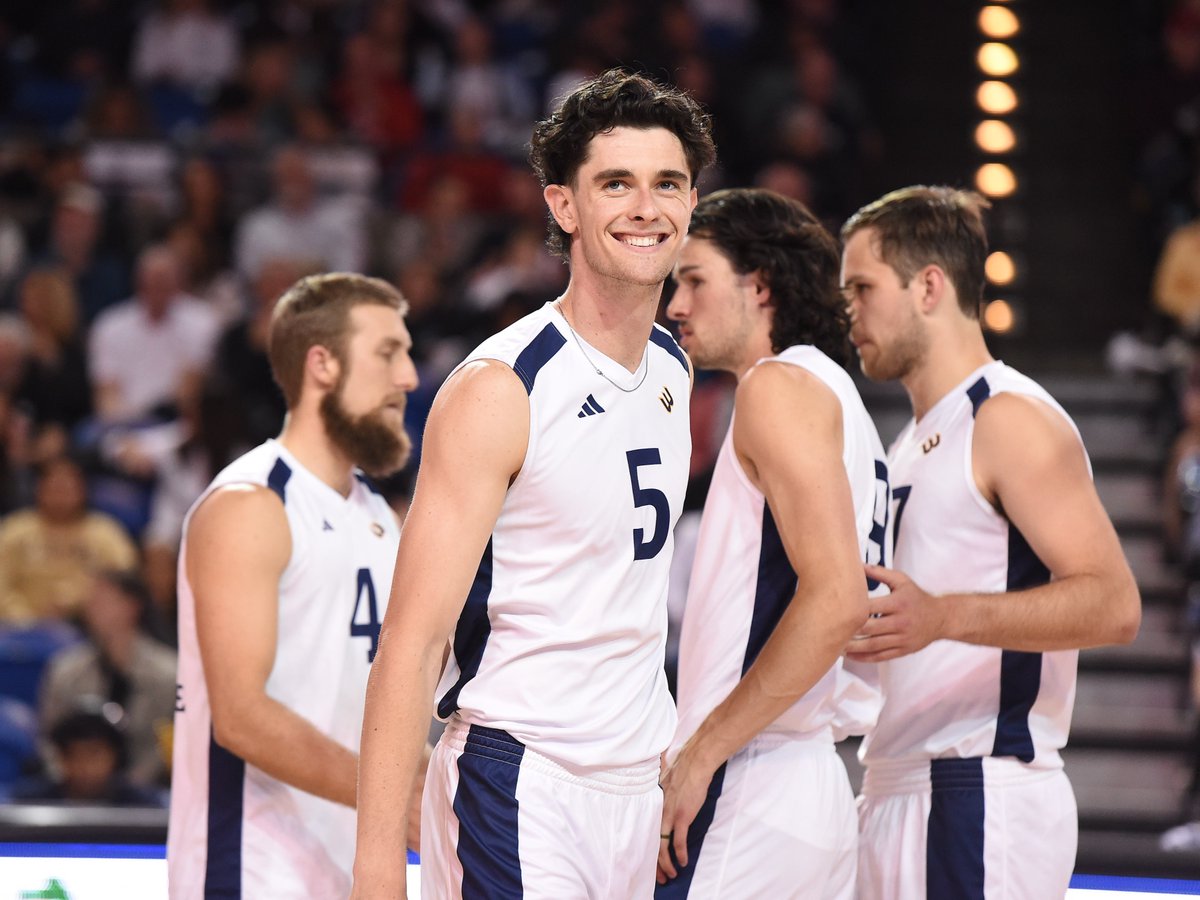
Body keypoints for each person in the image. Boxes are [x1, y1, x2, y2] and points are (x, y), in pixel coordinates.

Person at [352, 68, 716, 898]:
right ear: (563, 207)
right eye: (614, 183)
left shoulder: (673, 364)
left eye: (667, 184)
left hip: (635, 782)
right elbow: (412, 639)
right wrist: (377, 863)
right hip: (520, 779)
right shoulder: (501, 386)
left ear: (693, 202)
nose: (644, 207)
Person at [839, 185, 1142, 899]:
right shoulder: (908, 441)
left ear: (930, 287)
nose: (847, 309)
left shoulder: (1007, 417)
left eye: (862, 287)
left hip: (976, 785)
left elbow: (1114, 603)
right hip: (900, 782)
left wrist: (944, 617)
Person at [654, 188, 887, 898]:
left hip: (751, 781)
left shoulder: (777, 387)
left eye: (694, 279)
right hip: (798, 780)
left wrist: (701, 755)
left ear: (759, 285)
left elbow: (837, 596)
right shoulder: (837, 395)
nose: (675, 306)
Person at [167, 273, 420, 898]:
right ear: (323, 365)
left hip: (347, 862)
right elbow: (242, 717)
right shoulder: (250, 504)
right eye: (388, 353)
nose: (409, 377)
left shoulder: (378, 515)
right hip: (250, 868)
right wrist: (395, 802)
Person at [39, 569, 177, 787]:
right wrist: (69, 780)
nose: (91, 607)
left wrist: (130, 789)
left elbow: (167, 744)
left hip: (146, 795)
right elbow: (47, 738)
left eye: (102, 600)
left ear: (132, 606)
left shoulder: (169, 673)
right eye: (91, 600)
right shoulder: (66, 670)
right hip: (73, 793)